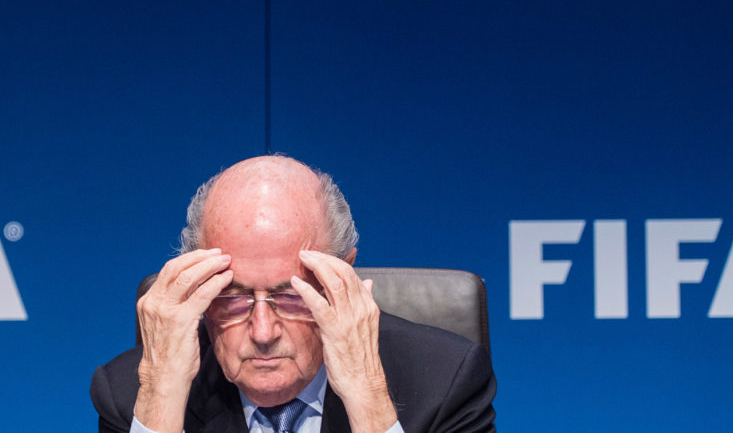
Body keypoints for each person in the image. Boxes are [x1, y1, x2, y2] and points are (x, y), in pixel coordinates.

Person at [91, 155, 496, 432]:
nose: (263, 332)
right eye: (233, 297)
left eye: (292, 296)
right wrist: (161, 395)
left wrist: (368, 395)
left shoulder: (444, 382)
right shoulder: (130, 394)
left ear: (344, 275)